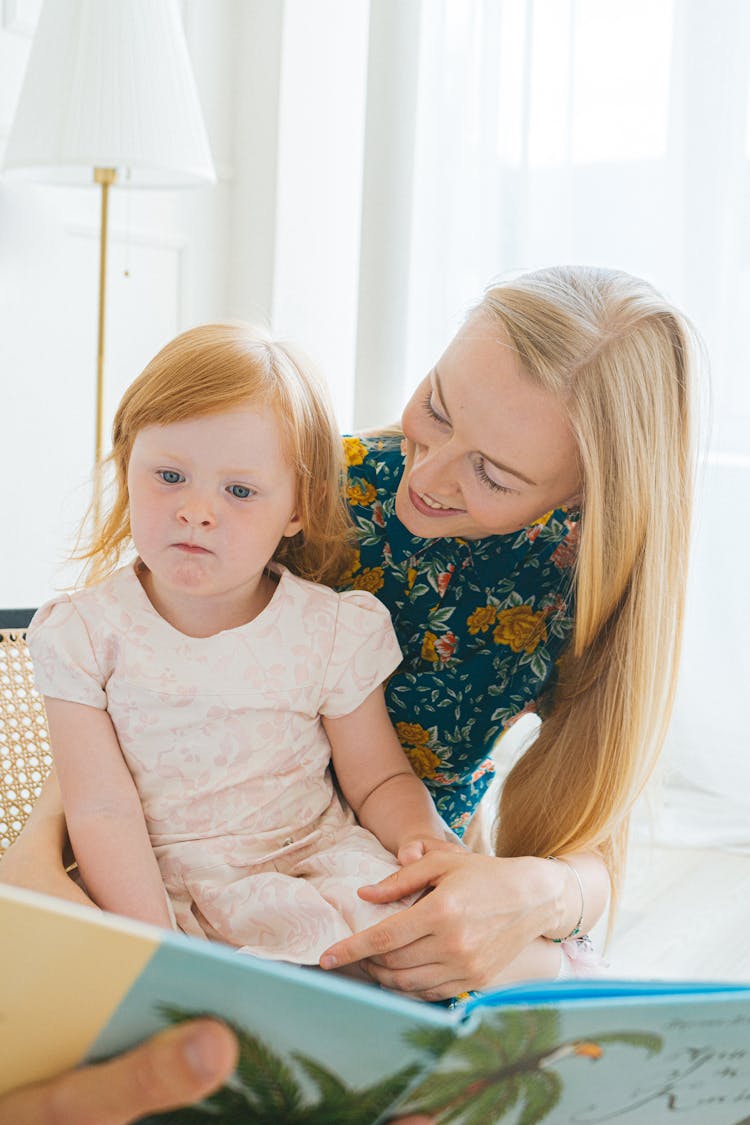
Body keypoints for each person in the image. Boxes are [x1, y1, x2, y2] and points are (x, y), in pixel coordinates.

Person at [1, 265, 697, 1118]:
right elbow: (144, 690)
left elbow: (587, 853)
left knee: (552, 1030)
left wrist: (513, 891)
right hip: (176, 864)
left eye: (493, 473)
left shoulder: (578, 583)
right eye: (437, 406)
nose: (430, 471)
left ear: (583, 498)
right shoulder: (304, 485)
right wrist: (41, 855)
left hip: (378, 875)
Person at [25, 323, 453, 962]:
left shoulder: (329, 629)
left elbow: (377, 780)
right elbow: (100, 812)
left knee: (411, 955)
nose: (197, 510)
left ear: (296, 510)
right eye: (169, 475)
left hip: (310, 864)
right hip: (156, 886)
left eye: (240, 491)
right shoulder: (82, 633)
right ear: (127, 469)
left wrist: (421, 835)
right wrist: (158, 946)